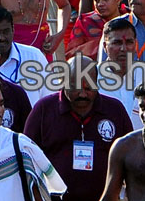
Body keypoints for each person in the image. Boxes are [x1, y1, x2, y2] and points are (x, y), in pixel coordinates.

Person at [22, 57, 130, 201]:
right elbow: (26, 159)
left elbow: (130, 157)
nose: (82, 94)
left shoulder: (115, 110)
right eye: (76, 88)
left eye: (88, 88)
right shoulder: (44, 110)